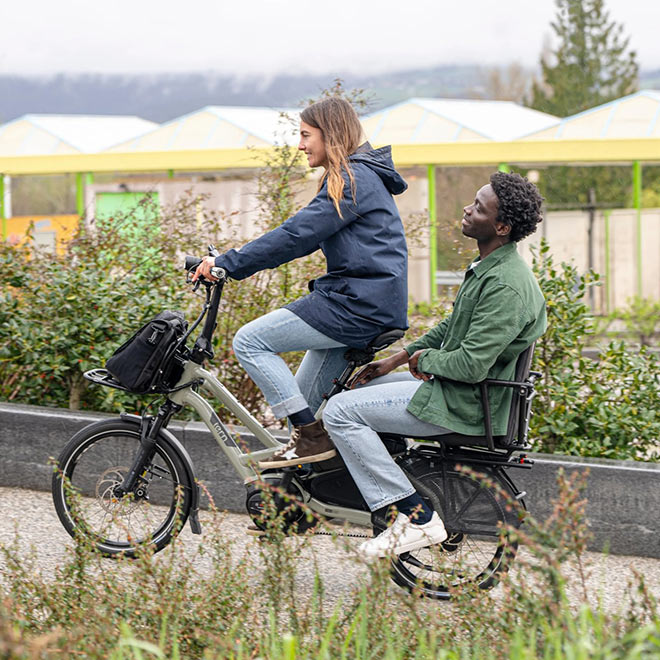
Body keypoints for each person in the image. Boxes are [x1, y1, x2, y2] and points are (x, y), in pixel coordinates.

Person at [322, 172, 547, 558]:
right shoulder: (491, 268)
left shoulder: (506, 285)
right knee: (351, 392)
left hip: (463, 405)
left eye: (478, 207)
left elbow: (472, 364)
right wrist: (398, 357)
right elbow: (451, 328)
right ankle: (379, 488)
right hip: (455, 394)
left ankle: (415, 515)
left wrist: (426, 360)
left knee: (341, 413)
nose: (466, 209)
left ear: (502, 226)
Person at [193, 97, 409, 468]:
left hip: (357, 305)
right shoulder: (359, 177)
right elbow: (302, 235)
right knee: (305, 405)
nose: (300, 145)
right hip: (368, 302)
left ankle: (310, 440)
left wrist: (227, 264)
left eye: (306, 134)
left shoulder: (353, 179)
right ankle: (303, 496)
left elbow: (297, 235)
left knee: (250, 341)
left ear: (332, 134)